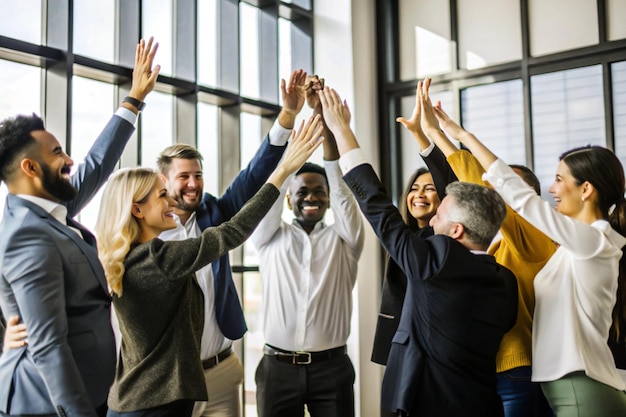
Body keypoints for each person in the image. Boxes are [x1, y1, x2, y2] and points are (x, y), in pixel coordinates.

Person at [419, 77, 626, 416]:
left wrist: (462, 135)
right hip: (571, 385)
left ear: (586, 189)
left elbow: (520, 197)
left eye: (560, 179)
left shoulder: (593, 240)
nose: (553, 188)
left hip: (580, 386)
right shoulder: (578, 245)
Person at [97, 116, 324, 417]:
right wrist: (282, 171)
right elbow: (233, 232)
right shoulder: (158, 258)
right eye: (161, 195)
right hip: (154, 404)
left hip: (145, 397)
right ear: (136, 209)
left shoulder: (124, 256)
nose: (170, 202)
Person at [319, 85, 519, 417]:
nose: (431, 219)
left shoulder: (436, 262)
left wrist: (342, 131)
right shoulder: (506, 282)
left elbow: (379, 208)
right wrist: (428, 137)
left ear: (456, 231)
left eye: (439, 216)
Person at [0, 37, 160, 417]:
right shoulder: (25, 234)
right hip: (48, 404)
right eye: (57, 153)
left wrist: (134, 99)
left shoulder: (51, 208)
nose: (69, 159)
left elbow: (97, 165)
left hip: (88, 393)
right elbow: (48, 345)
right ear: (30, 169)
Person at [155, 68, 309, 417]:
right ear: (163, 180)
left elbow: (254, 175)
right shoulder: (150, 233)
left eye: (198, 175)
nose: (193, 184)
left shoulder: (215, 212)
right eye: (184, 177)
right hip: (174, 378)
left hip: (223, 370)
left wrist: (287, 116)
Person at [413, 78, 556, 417]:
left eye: (506, 186)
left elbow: (478, 184)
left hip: (517, 369)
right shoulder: (496, 242)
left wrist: (441, 135)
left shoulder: (538, 239)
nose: (495, 191)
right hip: (489, 367)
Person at [250, 77, 365, 417]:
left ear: (328, 198)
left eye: (319, 191)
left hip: (332, 369)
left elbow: (343, 190)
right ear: (289, 198)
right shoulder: (269, 237)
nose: (311, 197)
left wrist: (325, 121)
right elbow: (271, 190)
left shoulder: (346, 239)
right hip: (277, 369)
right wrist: (295, 142)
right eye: (302, 192)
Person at [372, 91, 457, 373]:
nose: (419, 195)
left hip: (438, 346)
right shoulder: (403, 237)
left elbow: (450, 183)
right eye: (414, 189)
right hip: (400, 344)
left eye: (429, 189)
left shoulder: (445, 242)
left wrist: (422, 135)